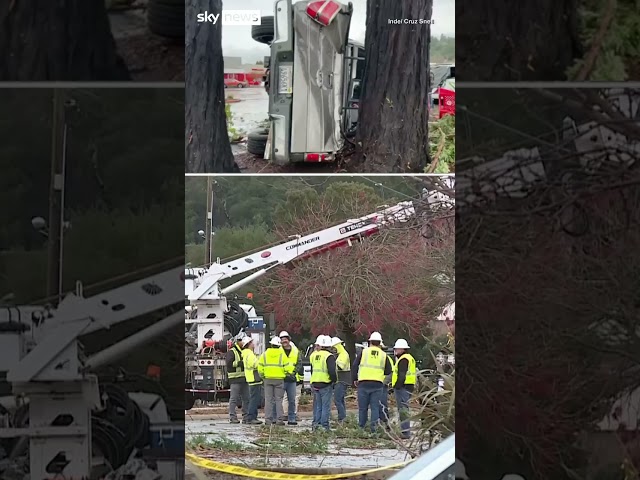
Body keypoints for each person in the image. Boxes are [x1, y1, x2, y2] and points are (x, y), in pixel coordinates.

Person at [352, 332, 392, 434]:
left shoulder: (363, 352)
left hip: (363, 383)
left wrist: (355, 379)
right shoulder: (384, 355)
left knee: (362, 408)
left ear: (370, 341)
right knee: (374, 408)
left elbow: (355, 365)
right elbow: (388, 371)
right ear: (379, 343)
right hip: (377, 384)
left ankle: (361, 428)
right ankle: (373, 429)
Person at [258, 336, 288, 426]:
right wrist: (286, 373)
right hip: (279, 379)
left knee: (268, 400)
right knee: (279, 400)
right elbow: (287, 367)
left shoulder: (264, 354)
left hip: (268, 379)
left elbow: (260, 368)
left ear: (271, 344)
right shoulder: (282, 355)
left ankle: (268, 420)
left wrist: (263, 376)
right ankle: (279, 420)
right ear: (279, 345)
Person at [310, 335, 337, 431]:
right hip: (325, 383)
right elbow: (332, 371)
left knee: (318, 406)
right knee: (325, 406)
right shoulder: (329, 356)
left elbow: (312, 369)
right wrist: (334, 380)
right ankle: (324, 426)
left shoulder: (313, 355)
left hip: (315, 382)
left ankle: (316, 425)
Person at [391, 339, 416, 439]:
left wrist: (396, 386)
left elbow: (401, 375)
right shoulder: (410, 358)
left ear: (402, 349)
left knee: (403, 410)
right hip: (409, 386)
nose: (395, 350)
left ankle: (405, 432)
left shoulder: (403, 359)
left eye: (397, 348)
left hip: (402, 387)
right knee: (404, 408)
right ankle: (405, 431)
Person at [279, 331, 302, 425]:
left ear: (289, 340)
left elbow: (299, 363)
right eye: (282, 339)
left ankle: (291, 418)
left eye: (285, 339)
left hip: (292, 379)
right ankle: (279, 417)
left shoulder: (295, 351)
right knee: (279, 399)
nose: (284, 341)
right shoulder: (278, 351)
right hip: (281, 378)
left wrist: (293, 372)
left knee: (292, 400)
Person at [226, 334, 249, 424]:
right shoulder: (232, 352)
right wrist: (241, 363)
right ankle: (232, 417)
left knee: (246, 398)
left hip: (244, 379)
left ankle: (246, 417)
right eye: (241, 341)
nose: (243, 343)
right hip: (235, 379)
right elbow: (229, 364)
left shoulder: (245, 351)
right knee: (234, 399)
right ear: (237, 342)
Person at [241, 337, 263, 424]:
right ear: (249, 344)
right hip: (254, 378)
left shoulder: (247, 353)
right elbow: (254, 364)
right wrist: (260, 361)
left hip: (251, 378)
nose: (253, 344)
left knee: (253, 399)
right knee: (254, 399)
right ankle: (251, 417)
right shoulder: (249, 354)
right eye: (252, 343)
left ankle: (251, 417)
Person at [331, 337, 350, 423]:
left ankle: (341, 418)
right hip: (340, 380)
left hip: (342, 379)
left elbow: (340, 366)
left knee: (337, 399)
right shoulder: (340, 354)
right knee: (340, 399)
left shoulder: (343, 354)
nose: (333, 350)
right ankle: (343, 418)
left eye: (334, 348)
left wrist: (331, 362)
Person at [379, 341, 394, 429]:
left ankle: (385, 422)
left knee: (382, 404)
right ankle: (381, 422)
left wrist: (384, 382)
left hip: (381, 384)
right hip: (377, 383)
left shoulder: (386, 358)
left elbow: (390, 373)